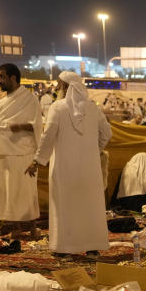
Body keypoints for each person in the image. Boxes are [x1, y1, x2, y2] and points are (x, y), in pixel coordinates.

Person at [26, 71, 111, 256]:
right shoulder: (93, 108)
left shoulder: (58, 107)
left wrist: (37, 161)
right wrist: (93, 150)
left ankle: (64, 248)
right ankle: (92, 245)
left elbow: (48, 137)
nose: (56, 88)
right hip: (90, 169)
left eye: (58, 84)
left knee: (65, 206)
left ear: (66, 86)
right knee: (89, 206)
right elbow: (107, 134)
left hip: (64, 169)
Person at [0, 63, 42, 240]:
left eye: (2, 77)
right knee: (8, 191)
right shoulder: (0, 103)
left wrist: (20, 126)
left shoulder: (30, 99)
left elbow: (37, 126)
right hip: (4, 152)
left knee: (26, 190)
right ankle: (16, 227)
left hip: (24, 153)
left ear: (13, 78)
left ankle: (32, 227)